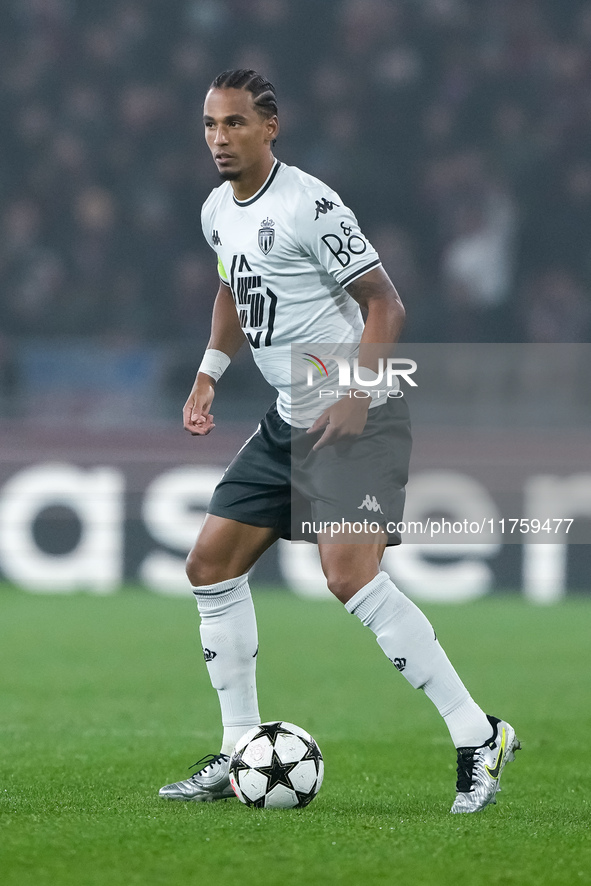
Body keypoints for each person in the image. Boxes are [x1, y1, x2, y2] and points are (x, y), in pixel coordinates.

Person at [158, 69, 520, 814]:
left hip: (361, 411)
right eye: (208, 126)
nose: (218, 139)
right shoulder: (215, 211)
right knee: (209, 564)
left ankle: (476, 732)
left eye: (232, 124)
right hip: (291, 415)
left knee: (349, 576)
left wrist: (357, 391)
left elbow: (385, 303)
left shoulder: (309, 204)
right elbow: (234, 285)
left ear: (269, 128)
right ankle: (236, 753)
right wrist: (209, 372)